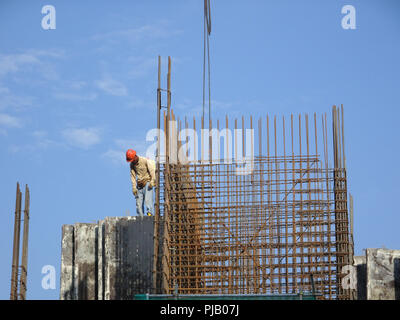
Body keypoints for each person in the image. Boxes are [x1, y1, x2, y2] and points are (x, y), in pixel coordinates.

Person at [126, 149, 156, 217]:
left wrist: (152, 181)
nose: (132, 161)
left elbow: (152, 171)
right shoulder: (132, 165)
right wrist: (134, 187)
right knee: (138, 204)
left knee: (148, 201)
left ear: (135, 156)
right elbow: (133, 176)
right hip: (139, 185)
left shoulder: (145, 160)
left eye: (132, 160)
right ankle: (140, 218)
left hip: (147, 183)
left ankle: (149, 215)